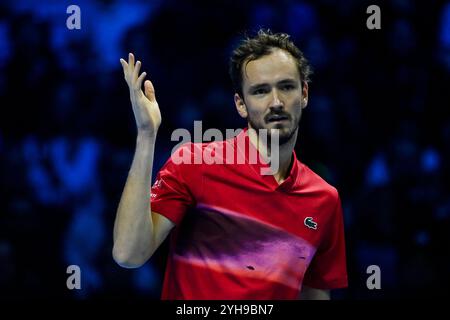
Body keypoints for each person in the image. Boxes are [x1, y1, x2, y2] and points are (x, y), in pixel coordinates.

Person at [113, 29, 348, 300]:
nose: (276, 102)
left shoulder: (324, 200)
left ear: (304, 93)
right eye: (260, 91)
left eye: (286, 86)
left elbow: (314, 294)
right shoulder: (194, 164)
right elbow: (128, 253)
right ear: (241, 104)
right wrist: (146, 134)